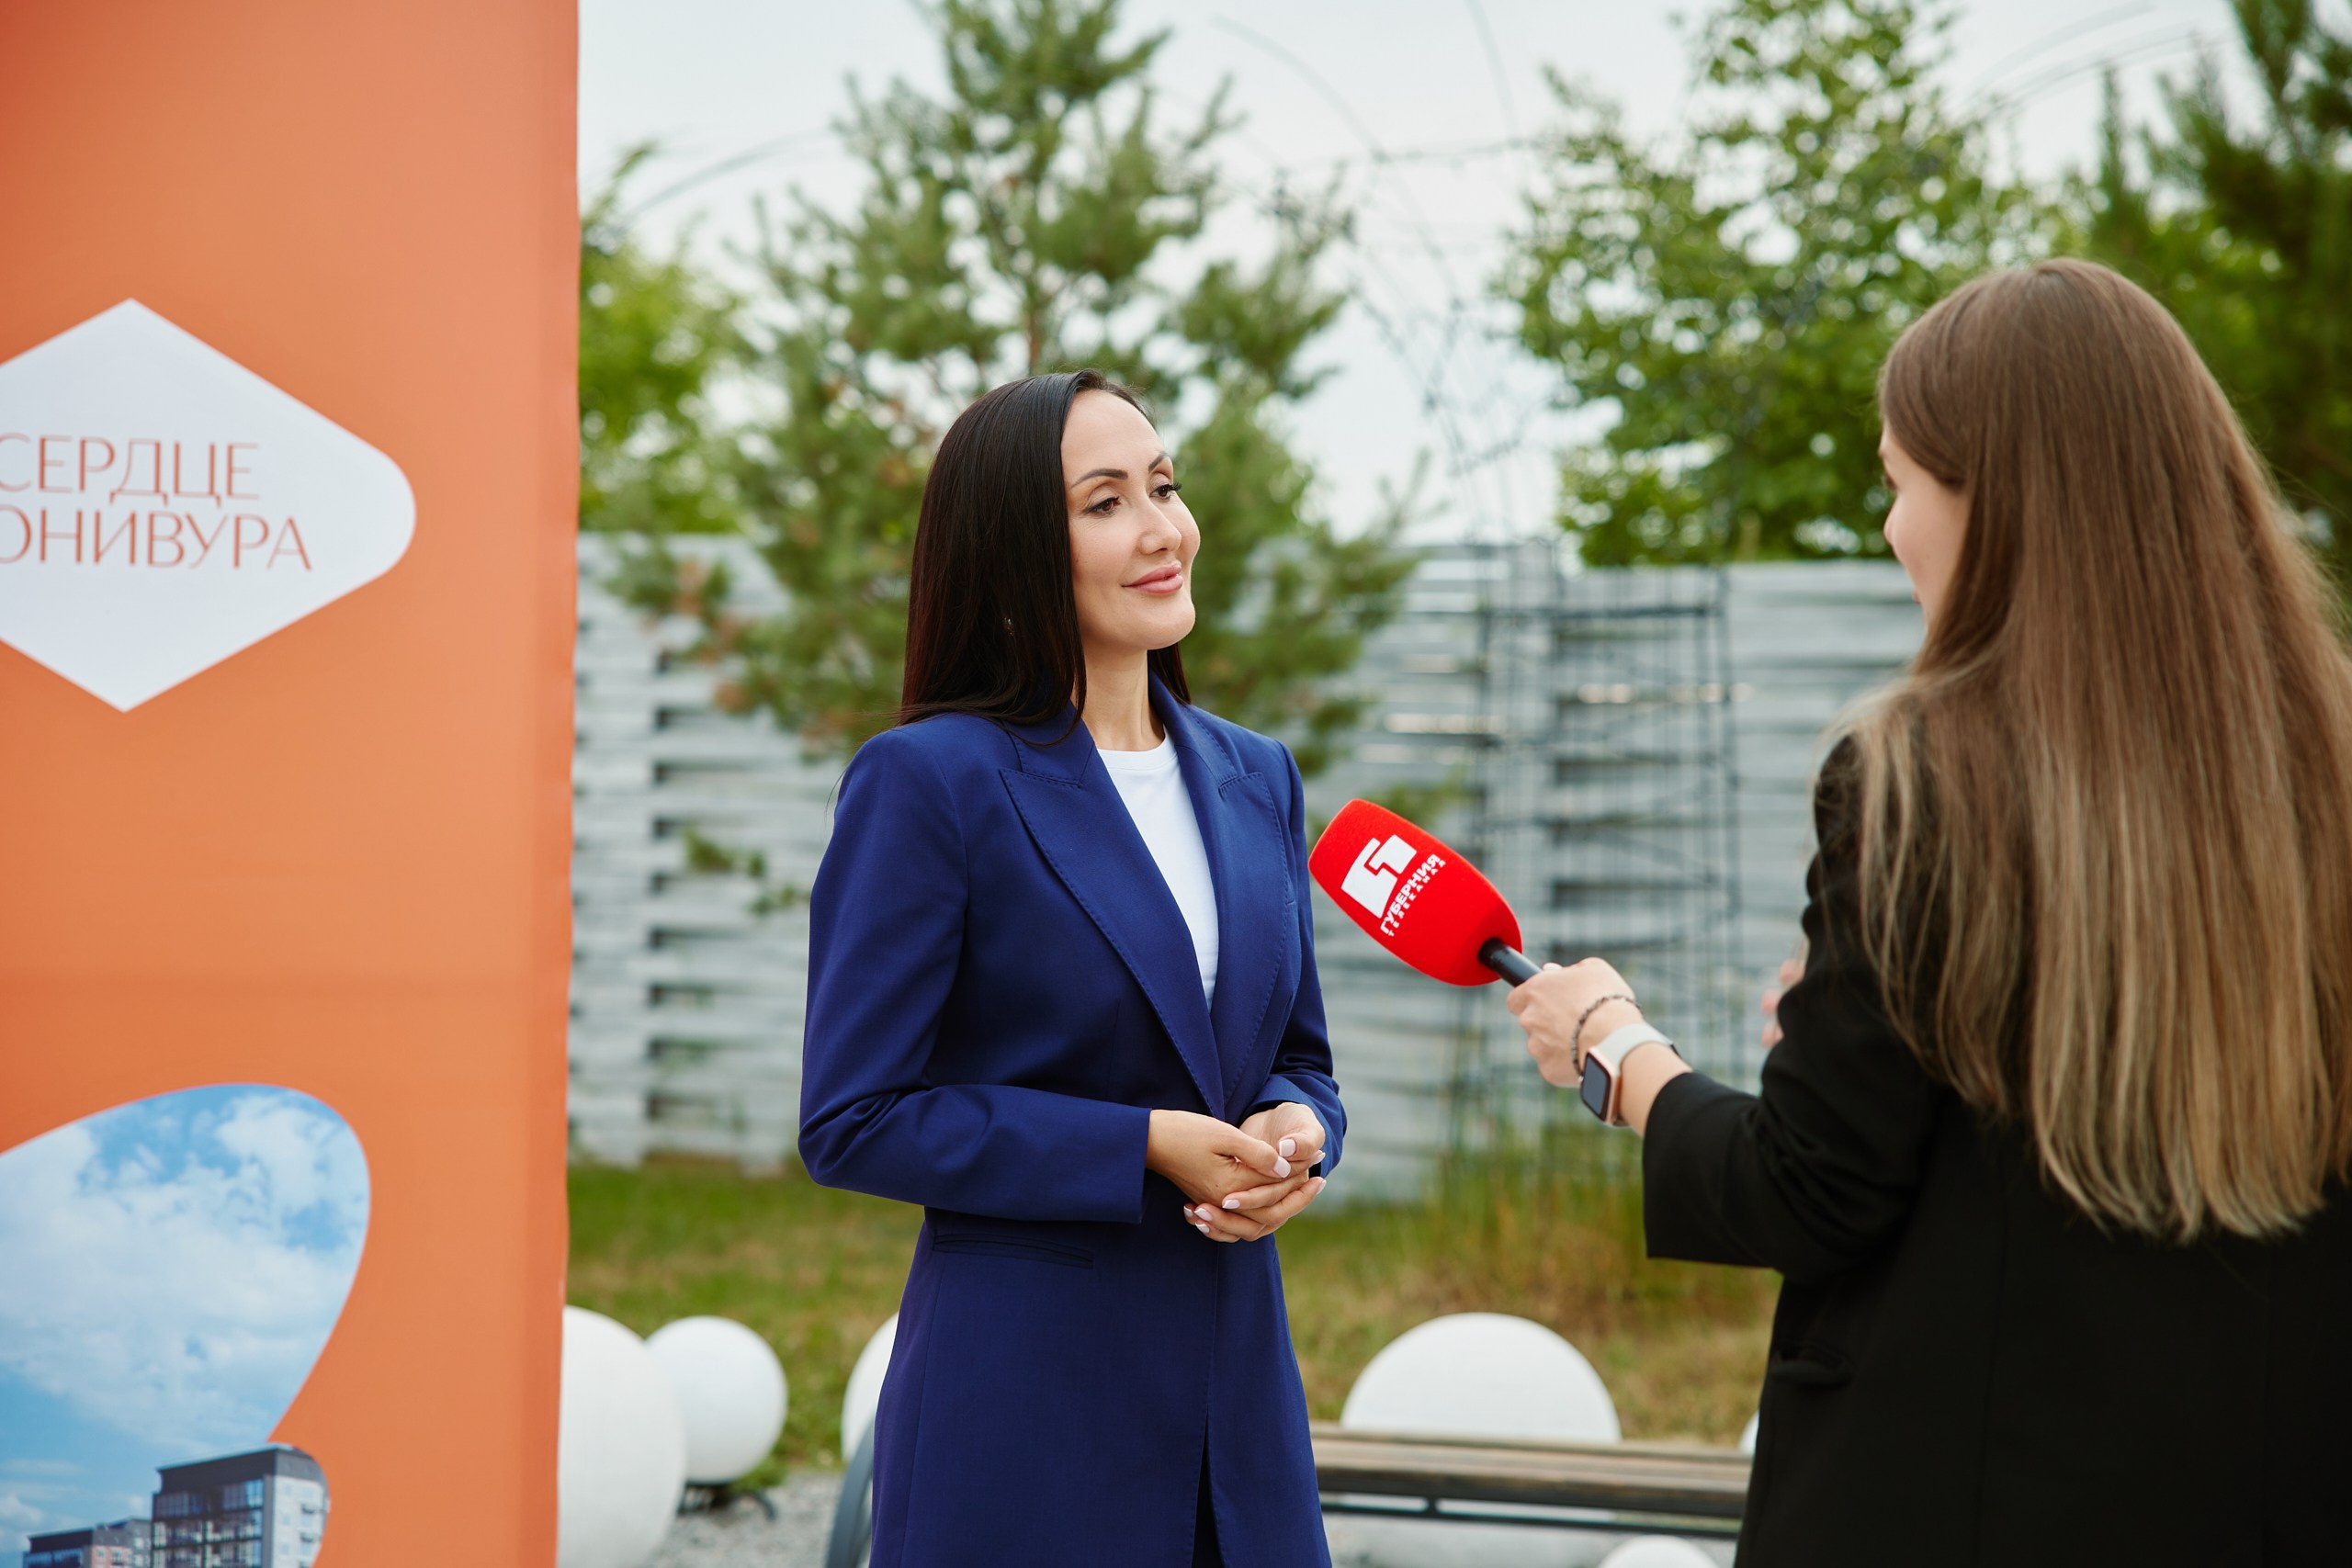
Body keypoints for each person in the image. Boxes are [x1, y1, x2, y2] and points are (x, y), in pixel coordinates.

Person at [1505, 259, 2352, 1565]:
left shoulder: (1921, 779)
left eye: (1900, 480)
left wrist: (1620, 1053)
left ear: (1997, 497)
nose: (1893, 528)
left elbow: (1811, 1190)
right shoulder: (2325, 762)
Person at [798, 369, 1343, 1567]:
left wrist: (1299, 1135)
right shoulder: (929, 783)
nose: (1162, 528)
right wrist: (1139, 1142)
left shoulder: (1258, 776)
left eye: (1163, 484)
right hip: (1027, 1419)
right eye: (1105, 503)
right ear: (1013, 553)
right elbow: (854, 1118)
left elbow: (1298, 1054)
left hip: (1239, 1414)